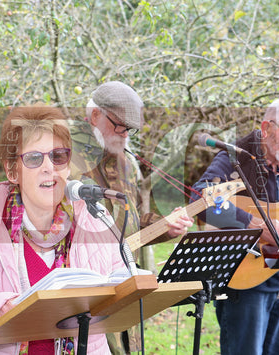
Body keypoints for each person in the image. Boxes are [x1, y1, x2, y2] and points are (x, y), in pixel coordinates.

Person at [0, 106, 127, 354]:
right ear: (12, 170)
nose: (49, 167)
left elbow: (122, 298)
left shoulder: (96, 220)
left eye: (58, 156)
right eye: (34, 158)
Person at [69, 81, 193, 353]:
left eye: (131, 129)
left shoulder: (127, 164)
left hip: (123, 289)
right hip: (80, 297)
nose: (125, 135)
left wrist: (165, 228)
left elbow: (131, 221)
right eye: (119, 126)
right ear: (94, 116)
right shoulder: (62, 156)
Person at [191, 97, 279, 355]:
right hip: (246, 285)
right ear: (266, 127)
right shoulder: (237, 159)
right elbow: (200, 198)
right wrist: (254, 224)